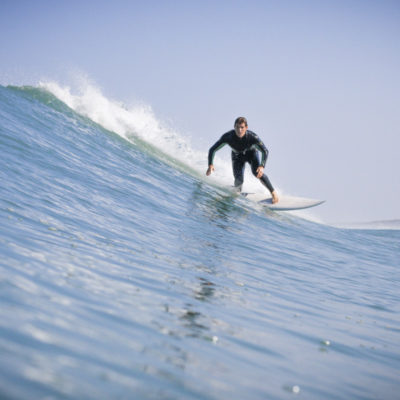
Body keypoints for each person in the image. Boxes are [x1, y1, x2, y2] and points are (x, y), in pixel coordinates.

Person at [206, 117, 279, 204]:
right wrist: (210, 164)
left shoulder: (253, 137)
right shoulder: (227, 137)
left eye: (242, 127)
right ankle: (235, 190)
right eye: (237, 127)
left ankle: (273, 193)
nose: (239, 130)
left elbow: (265, 151)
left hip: (251, 154)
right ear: (234, 127)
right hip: (237, 157)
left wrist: (262, 166)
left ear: (246, 128)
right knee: (239, 182)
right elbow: (212, 149)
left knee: (257, 173)